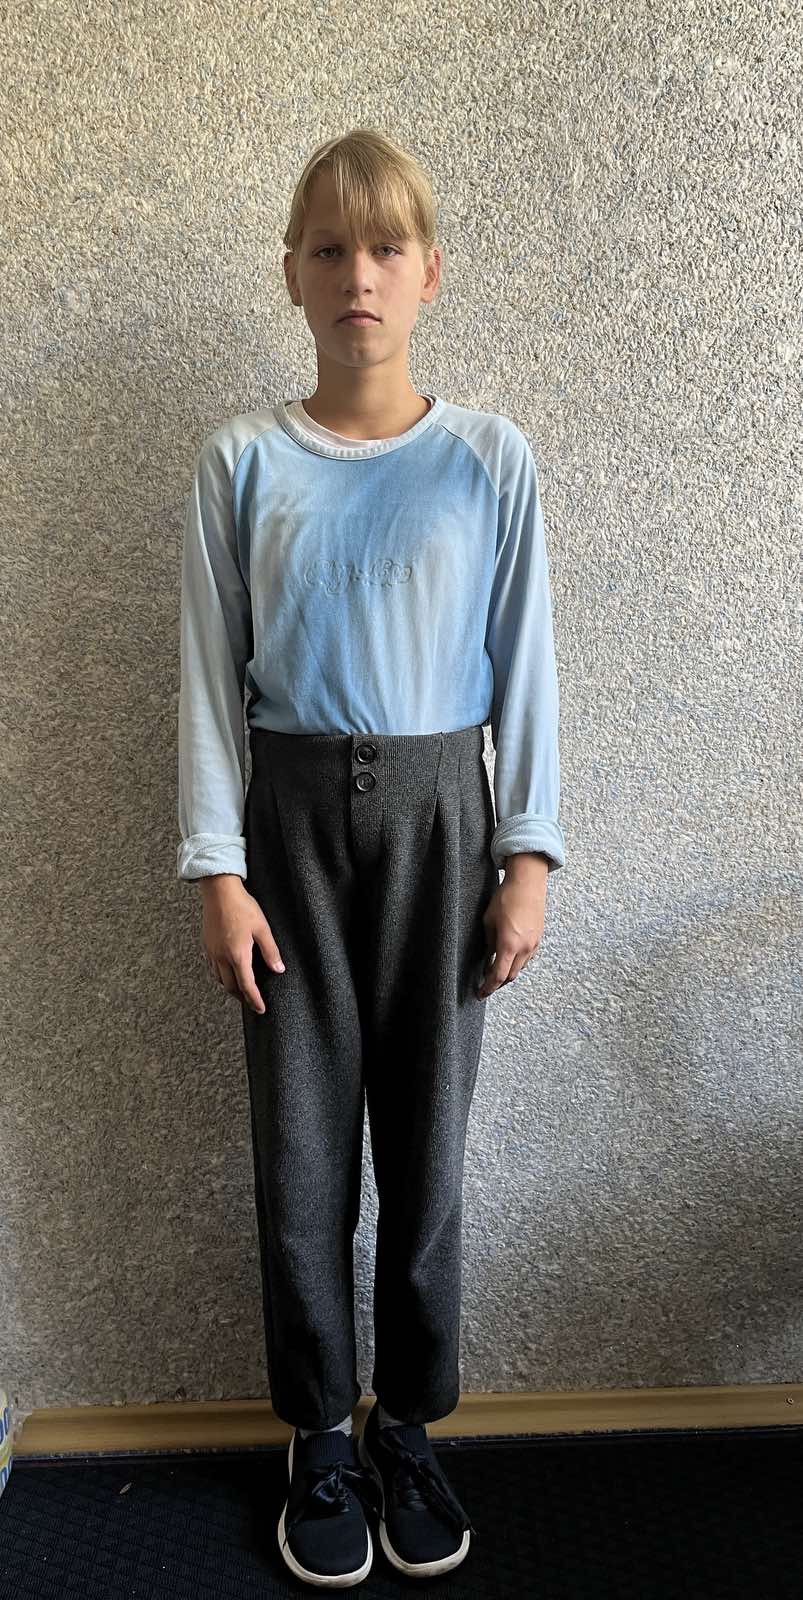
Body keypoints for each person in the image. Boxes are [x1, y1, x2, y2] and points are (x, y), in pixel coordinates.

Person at [176, 125, 565, 1588]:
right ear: (291, 273)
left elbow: (526, 668)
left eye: (386, 248)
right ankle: (317, 1435)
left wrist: (528, 857)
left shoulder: (487, 459)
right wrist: (218, 870)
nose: (359, 275)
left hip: (443, 826)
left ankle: (406, 1422)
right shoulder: (241, 462)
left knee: (425, 1148)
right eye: (329, 248)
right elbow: (208, 678)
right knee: (300, 1151)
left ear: (429, 274)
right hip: (284, 831)